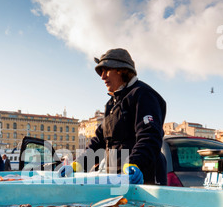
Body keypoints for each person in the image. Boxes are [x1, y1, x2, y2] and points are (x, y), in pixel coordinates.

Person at [60, 48, 167, 185]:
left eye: (106, 71)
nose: (102, 76)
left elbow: (149, 136)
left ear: (121, 70)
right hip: (116, 179)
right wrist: (76, 166)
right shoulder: (111, 104)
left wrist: (134, 163)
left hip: (143, 178)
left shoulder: (143, 95)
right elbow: (98, 142)